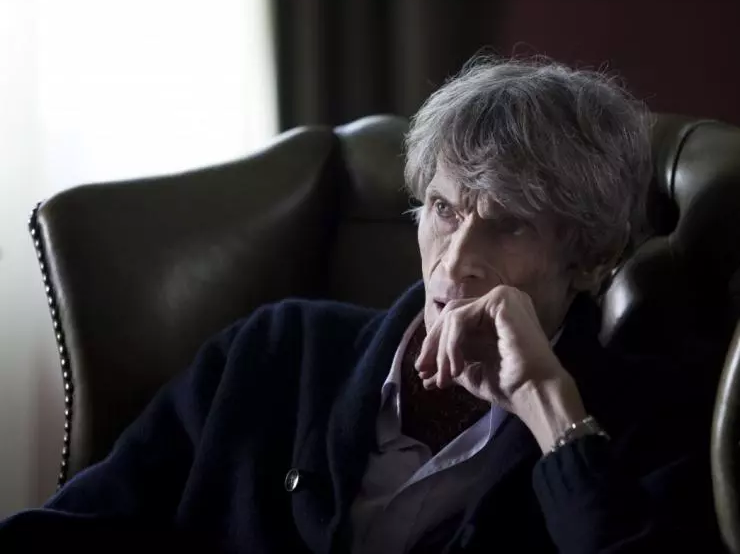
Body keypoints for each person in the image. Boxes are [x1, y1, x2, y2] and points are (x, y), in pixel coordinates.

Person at [0, 57, 723, 553]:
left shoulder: (651, 418)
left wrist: (546, 406)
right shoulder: (278, 351)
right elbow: (79, 525)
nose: (456, 259)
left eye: (510, 225)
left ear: (590, 256)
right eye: (443, 208)